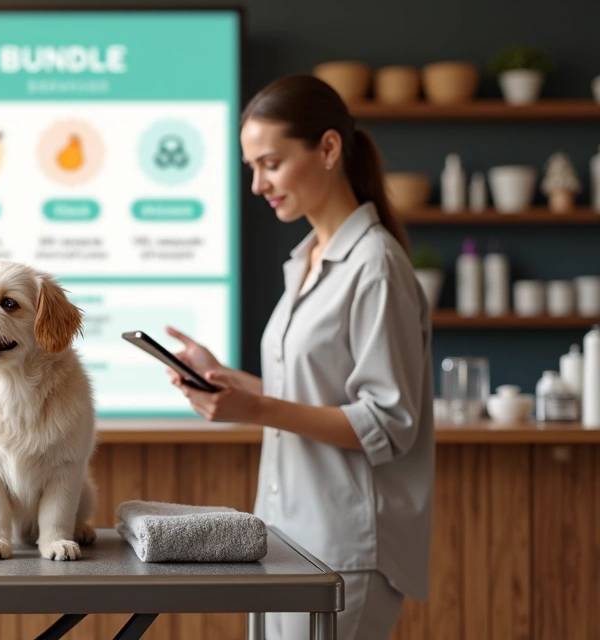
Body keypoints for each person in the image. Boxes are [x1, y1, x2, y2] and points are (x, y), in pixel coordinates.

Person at [165, 75, 434, 639]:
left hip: (346, 548)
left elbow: (388, 423)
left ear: (329, 149)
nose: (259, 184)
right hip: (287, 536)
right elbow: (306, 387)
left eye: (272, 163)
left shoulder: (375, 266)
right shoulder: (308, 260)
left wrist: (254, 408)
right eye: (252, 169)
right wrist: (221, 375)